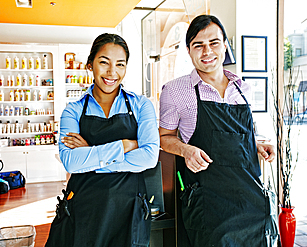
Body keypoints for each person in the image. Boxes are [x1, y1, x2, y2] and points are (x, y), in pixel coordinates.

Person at [159, 15, 278, 246]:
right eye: (198, 45)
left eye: (214, 43)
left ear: (225, 45)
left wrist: (257, 145)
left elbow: (240, 138)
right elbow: (164, 138)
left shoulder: (243, 88)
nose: (207, 51)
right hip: (208, 206)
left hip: (251, 201)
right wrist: (186, 150)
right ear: (188, 50)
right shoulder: (175, 91)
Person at [45, 33, 160, 247]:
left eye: (120, 65)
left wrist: (91, 154)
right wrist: (126, 146)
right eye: (104, 62)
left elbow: (149, 157)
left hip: (129, 209)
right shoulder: (73, 110)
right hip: (84, 207)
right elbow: (71, 162)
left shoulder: (142, 106)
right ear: (90, 65)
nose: (112, 72)